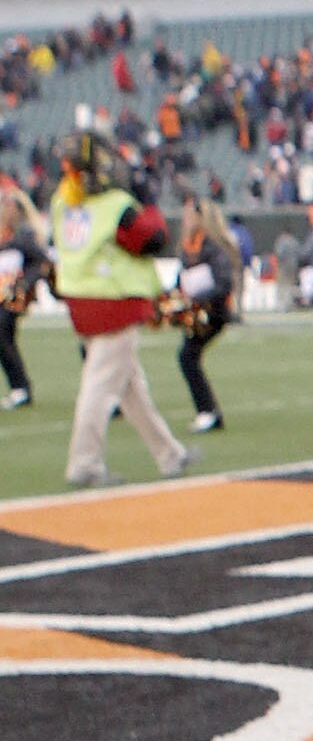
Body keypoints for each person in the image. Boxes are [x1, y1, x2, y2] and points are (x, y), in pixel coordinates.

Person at [52, 130, 189, 487]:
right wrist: (149, 201)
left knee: (130, 387)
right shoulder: (115, 205)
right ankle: (85, 463)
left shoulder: (62, 202)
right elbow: (152, 239)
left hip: (81, 301)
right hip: (115, 300)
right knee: (100, 386)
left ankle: (170, 453)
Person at [170, 192, 237, 431]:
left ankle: (209, 412)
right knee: (188, 357)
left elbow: (223, 282)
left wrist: (199, 297)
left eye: (190, 215)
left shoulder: (212, 247)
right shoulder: (189, 246)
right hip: (197, 311)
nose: (185, 220)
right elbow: (181, 279)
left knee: (187, 357)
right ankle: (208, 412)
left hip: (213, 312)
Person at [0, 181, 50, 408]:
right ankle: (20, 387)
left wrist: (24, 285)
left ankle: (21, 387)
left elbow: (40, 262)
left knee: (3, 333)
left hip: (12, 299)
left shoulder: (22, 241)